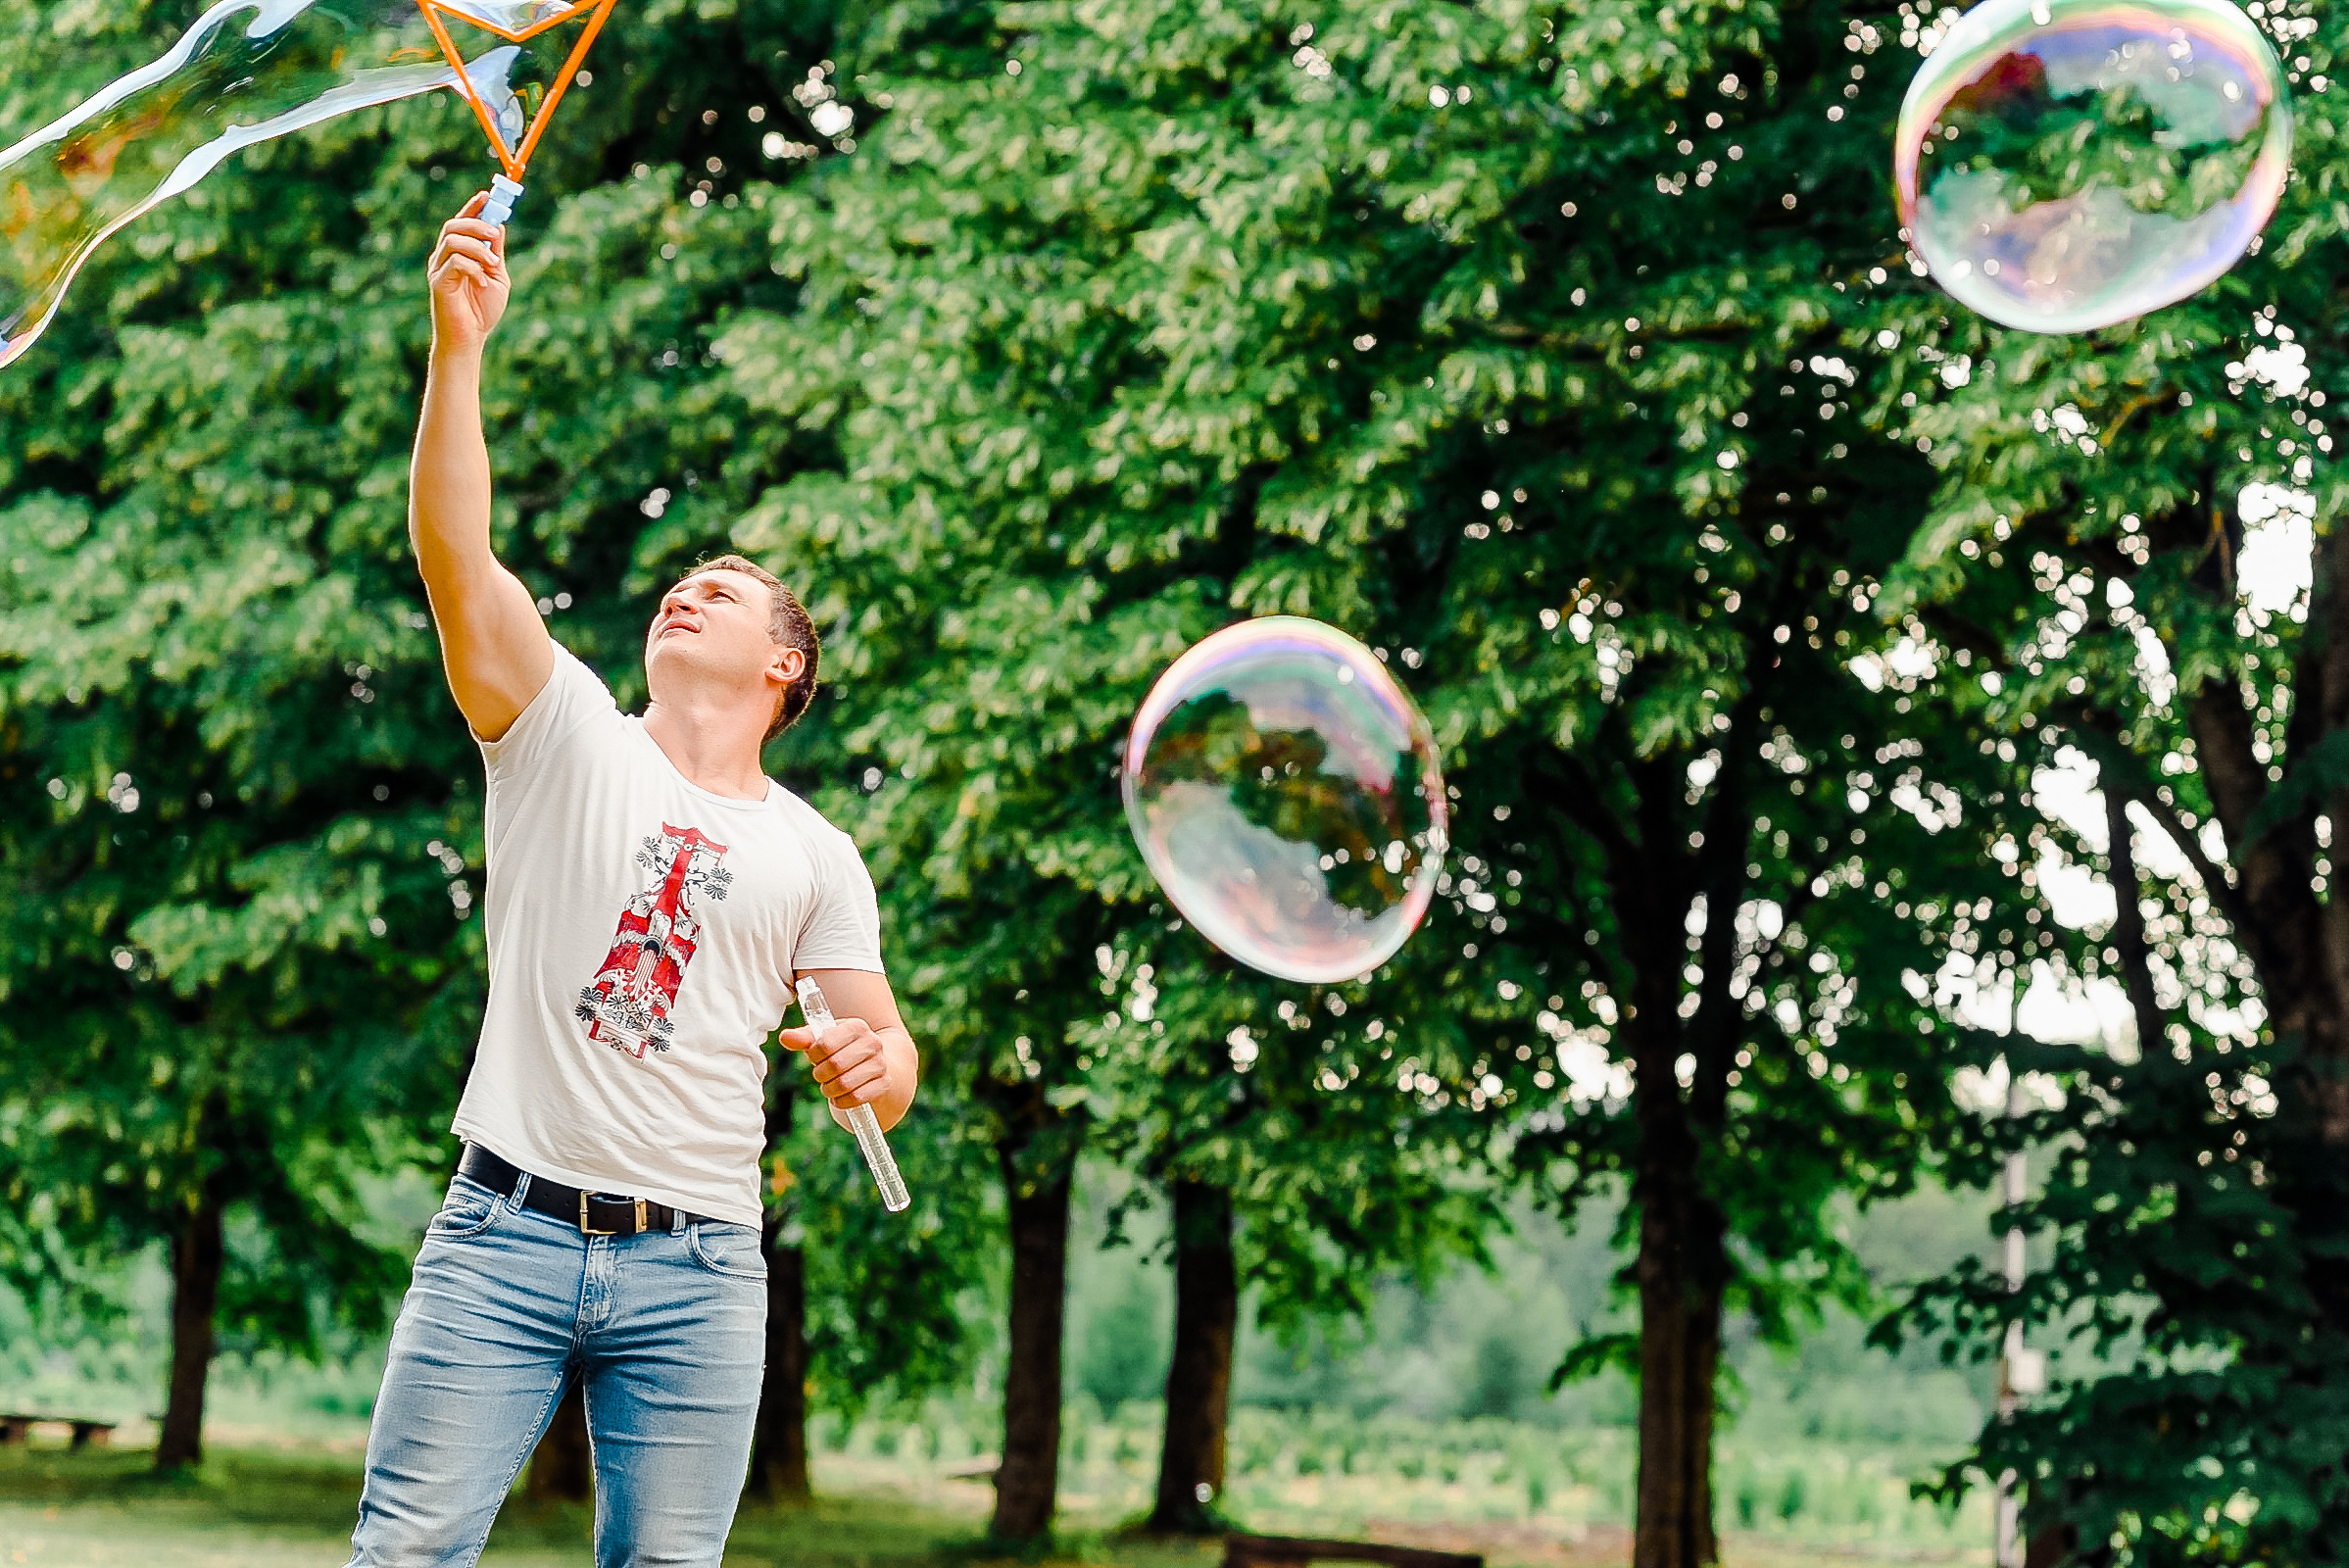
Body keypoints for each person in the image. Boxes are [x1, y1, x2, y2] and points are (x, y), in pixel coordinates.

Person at [340, 190, 919, 1568]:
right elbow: (452, 555)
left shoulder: (816, 853)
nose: (687, 591)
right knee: (404, 1553)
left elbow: (889, 1060)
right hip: (501, 1235)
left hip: (703, 1269)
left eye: (726, 590)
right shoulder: (561, 733)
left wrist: (863, 1062)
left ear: (786, 666)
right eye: (680, 583)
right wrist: (458, 348)